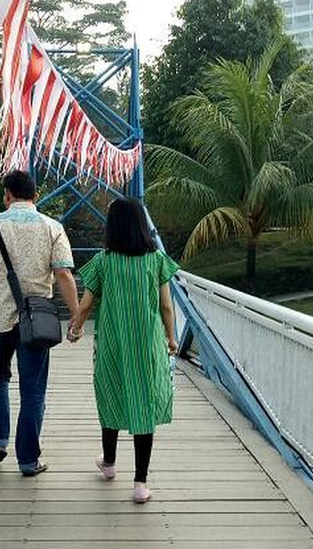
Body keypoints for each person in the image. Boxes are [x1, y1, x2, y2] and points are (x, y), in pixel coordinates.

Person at [0, 170, 80, 477]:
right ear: (35, 196)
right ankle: (28, 461)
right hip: (36, 323)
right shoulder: (52, 228)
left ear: (7, 195)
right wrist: (76, 314)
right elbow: (63, 274)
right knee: (33, 392)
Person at [68, 197, 180, 503]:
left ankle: (109, 463)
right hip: (147, 346)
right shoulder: (156, 260)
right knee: (143, 404)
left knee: (111, 396)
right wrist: (171, 339)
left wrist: (75, 328)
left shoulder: (104, 262)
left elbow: (87, 304)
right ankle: (140, 484)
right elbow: (167, 307)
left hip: (113, 346)